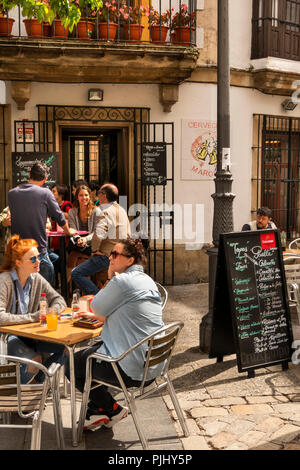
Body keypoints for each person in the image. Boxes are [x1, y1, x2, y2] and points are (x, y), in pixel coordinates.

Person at [65, 237, 164, 431]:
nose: (110, 257)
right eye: (111, 253)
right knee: (91, 353)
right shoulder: (146, 279)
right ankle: (96, 411)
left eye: (115, 254)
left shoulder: (122, 281)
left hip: (131, 369)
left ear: (130, 260)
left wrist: (110, 276)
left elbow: (96, 307)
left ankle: (112, 408)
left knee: (72, 364)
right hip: (154, 364)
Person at [0, 235, 66, 384]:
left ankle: (36, 385)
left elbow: (59, 299)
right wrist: (34, 317)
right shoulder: (4, 281)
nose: (39, 261)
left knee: (66, 349)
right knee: (34, 361)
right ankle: (17, 399)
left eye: (39, 256)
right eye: (33, 259)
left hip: (30, 334)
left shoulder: (36, 278)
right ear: (18, 262)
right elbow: (1, 317)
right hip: (5, 336)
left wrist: (52, 311)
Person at [8, 162, 77, 284]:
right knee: (44, 280)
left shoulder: (12, 193)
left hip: (18, 248)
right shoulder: (45, 193)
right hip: (37, 247)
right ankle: (44, 300)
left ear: (29, 174)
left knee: (21, 284)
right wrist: (68, 231)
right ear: (45, 179)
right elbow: (59, 216)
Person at [71, 183, 131, 295]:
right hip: (122, 254)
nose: (97, 196)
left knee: (76, 273)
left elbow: (99, 235)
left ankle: (98, 297)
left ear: (104, 195)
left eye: (98, 193)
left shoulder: (105, 211)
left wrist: (94, 251)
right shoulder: (121, 210)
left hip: (107, 256)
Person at [66, 185, 99, 283]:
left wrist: (85, 239)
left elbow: (97, 232)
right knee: (71, 256)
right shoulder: (72, 212)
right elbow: (72, 229)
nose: (84, 198)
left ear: (90, 196)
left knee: (75, 257)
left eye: (86, 195)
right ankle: (69, 287)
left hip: (91, 243)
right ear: (77, 197)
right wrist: (78, 239)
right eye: (81, 195)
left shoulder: (96, 211)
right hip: (77, 243)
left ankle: (74, 285)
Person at [48, 183, 73, 274]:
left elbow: (71, 215)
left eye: (54, 191)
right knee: (57, 261)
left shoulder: (66, 204)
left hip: (65, 238)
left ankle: (64, 283)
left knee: (64, 261)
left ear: (61, 194)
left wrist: (58, 213)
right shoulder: (53, 205)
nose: (52, 193)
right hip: (55, 238)